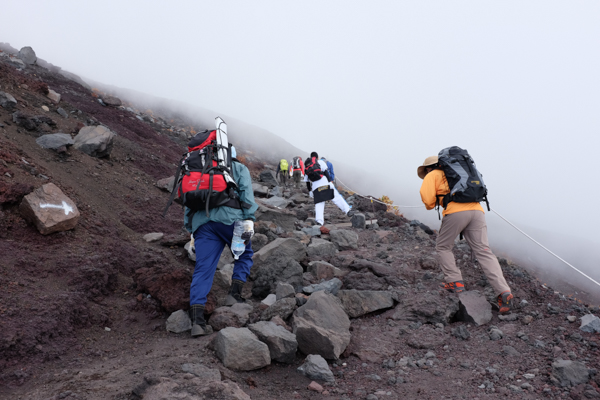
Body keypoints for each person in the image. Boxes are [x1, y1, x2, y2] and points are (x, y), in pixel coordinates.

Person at [418, 155, 513, 313]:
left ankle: (454, 281)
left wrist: (439, 199)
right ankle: (503, 292)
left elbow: (428, 202)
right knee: (483, 251)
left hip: (456, 212)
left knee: (443, 247)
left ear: (430, 167)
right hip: (477, 211)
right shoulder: (462, 173)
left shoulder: (432, 175)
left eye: (426, 169)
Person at [184, 145, 258, 336]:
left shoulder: (197, 171)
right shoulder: (238, 168)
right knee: (244, 255)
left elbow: (188, 203)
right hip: (232, 220)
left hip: (203, 225)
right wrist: (249, 219)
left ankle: (197, 321)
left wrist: (192, 229)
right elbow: (246, 196)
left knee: (203, 269)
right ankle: (234, 295)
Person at [304, 151, 352, 226]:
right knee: (336, 197)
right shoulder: (321, 162)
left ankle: (319, 222)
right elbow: (326, 173)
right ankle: (348, 210)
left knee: (319, 204)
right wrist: (330, 182)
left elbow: (307, 181)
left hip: (316, 186)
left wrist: (310, 191)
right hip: (325, 182)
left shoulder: (307, 167)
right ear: (317, 157)